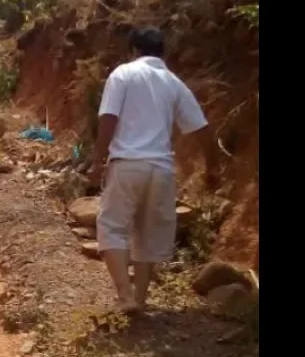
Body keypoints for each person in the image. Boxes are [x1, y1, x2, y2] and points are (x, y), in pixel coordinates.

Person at [89, 26, 218, 314]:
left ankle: (125, 296)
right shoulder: (174, 83)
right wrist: (213, 169)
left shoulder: (122, 74)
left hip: (127, 165)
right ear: (163, 52)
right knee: (148, 235)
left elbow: (109, 117)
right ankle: (141, 298)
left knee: (111, 227)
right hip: (161, 169)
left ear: (134, 50)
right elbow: (203, 129)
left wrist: (97, 161)